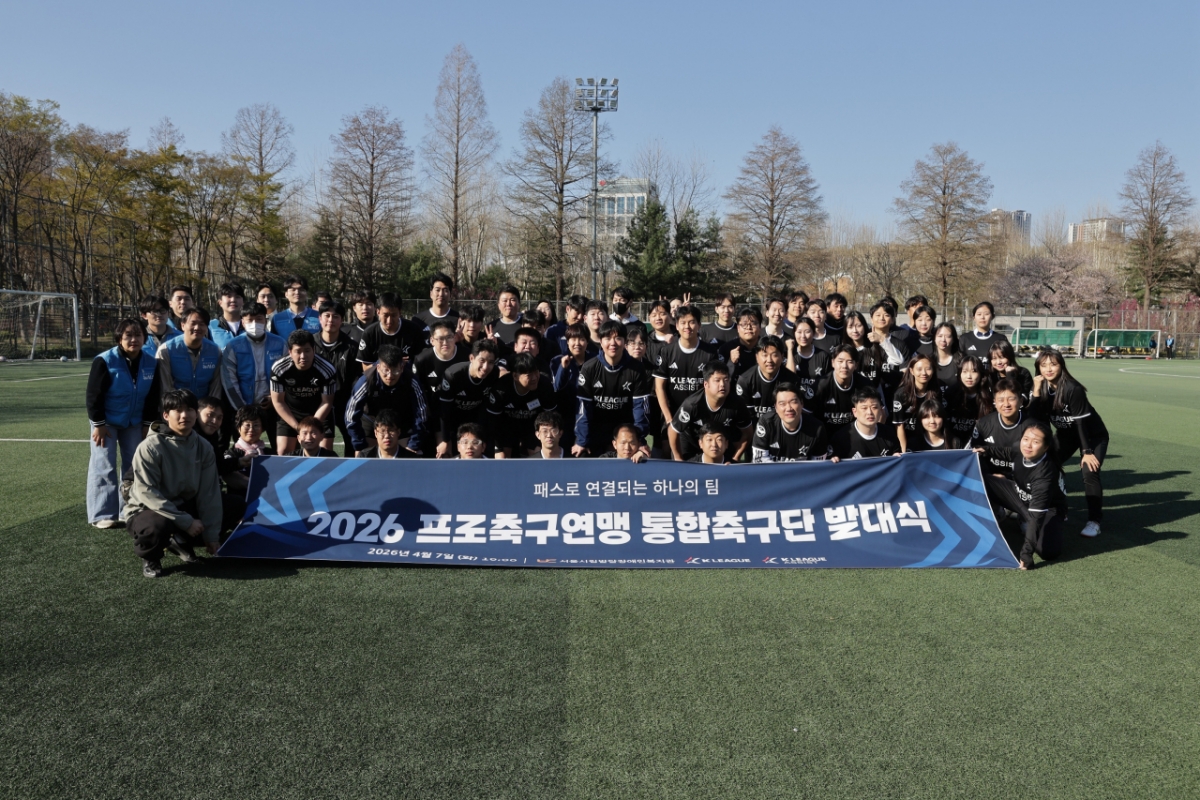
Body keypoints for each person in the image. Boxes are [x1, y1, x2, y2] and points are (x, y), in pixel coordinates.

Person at [123, 389, 223, 577]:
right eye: (178, 410)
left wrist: (212, 535)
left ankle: (180, 541)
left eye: (190, 409)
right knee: (155, 525)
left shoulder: (204, 447)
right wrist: (186, 522)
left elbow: (209, 493)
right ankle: (151, 557)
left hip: (183, 505)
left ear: (196, 413)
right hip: (148, 508)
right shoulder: (150, 447)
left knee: (233, 505)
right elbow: (147, 493)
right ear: (166, 416)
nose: (185, 415)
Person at [86, 319, 162, 528]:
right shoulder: (104, 360)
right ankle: (102, 514)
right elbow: (93, 396)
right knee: (104, 464)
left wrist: (147, 424)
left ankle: (128, 509)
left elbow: (152, 397)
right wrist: (99, 424)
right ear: (119, 338)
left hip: (135, 422)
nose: (133, 339)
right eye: (128, 335)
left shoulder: (151, 362)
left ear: (144, 338)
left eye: (138, 335)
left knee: (134, 465)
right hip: (106, 423)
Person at [1032, 348, 1110, 538]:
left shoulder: (1073, 388)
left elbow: (1081, 423)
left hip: (1092, 436)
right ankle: (1060, 509)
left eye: (1053, 364)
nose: (1048, 369)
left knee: (1089, 471)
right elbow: (1036, 418)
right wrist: (1036, 391)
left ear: (1061, 365)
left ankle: (1094, 521)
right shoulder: (1042, 387)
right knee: (1046, 465)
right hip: (1066, 435)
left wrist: (1087, 452)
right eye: (1044, 365)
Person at [980, 420, 1066, 569]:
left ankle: (1027, 521)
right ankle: (997, 514)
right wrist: (985, 450)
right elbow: (1007, 452)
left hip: (1046, 510)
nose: (1028, 445)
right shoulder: (1019, 449)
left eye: (1036, 442)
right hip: (1019, 496)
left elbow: (1037, 516)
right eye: (1025, 439)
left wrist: (1026, 554)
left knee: (1048, 551)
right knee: (983, 481)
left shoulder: (1044, 475)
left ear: (1046, 447)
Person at [572, 320, 652, 456]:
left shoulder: (637, 369)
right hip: (596, 431)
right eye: (608, 338)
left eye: (618, 338)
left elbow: (640, 408)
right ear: (601, 342)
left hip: (625, 434)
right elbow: (583, 409)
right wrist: (581, 441)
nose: (613, 343)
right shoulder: (589, 368)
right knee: (582, 456)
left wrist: (640, 440)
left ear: (625, 342)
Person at [220, 302, 287, 450]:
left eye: (259, 319)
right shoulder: (233, 346)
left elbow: (286, 375)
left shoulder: (280, 344)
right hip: (242, 407)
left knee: (281, 449)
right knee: (243, 450)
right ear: (242, 322)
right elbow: (229, 381)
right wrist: (242, 408)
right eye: (249, 320)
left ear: (266, 320)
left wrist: (274, 398)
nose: (254, 324)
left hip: (274, 407)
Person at [345, 345, 427, 457]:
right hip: (371, 420)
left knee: (411, 456)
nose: (390, 375)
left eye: (395, 370)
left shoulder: (411, 380)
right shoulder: (366, 381)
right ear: (378, 367)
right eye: (386, 370)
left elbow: (421, 414)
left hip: (402, 422)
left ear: (402, 367)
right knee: (363, 456)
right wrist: (359, 444)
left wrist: (413, 444)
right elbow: (351, 415)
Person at [667, 361, 753, 462]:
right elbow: (673, 430)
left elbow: (748, 433)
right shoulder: (692, 404)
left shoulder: (737, 404)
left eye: (726, 380)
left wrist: (736, 457)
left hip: (720, 445)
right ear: (706, 384)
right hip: (690, 443)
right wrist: (678, 458)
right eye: (717, 380)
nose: (722, 384)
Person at [270, 330, 339, 455]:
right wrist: (298, 427)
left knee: (324, 453)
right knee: (283, 451)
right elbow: (278, 401)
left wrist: (312, 427)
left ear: (314, 350)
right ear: (290, 352)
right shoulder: (279, 368)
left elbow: (327, 402)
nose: (303, 356)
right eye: (298, 351)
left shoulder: (327, 369)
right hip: (291, 413)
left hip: (319, 413)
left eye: (307, 351)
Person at [653, 305, 719, 431]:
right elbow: (659, 387)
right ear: (677, 326)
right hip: (673, 414)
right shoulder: (666, 352)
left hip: (701, 416)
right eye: (683, 323)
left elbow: (714, 386)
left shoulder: (710, 353)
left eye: (692, 322)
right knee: (667, 443)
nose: (687, 327)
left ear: (699, 325)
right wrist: (668, 418)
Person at [412, 320, 469, 453]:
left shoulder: (466, 356)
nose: (445, 342)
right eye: (440, 339)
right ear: (432, 340)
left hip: (461, 412)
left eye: (449, 337)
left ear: (455, 337)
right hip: (434, 413)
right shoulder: (422, 360)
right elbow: (417, 390)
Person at [485, 353, 557, 458]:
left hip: (532, 426)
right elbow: (493, 422)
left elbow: (550, 418)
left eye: (536, 372)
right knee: (501, 457)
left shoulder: (544, 385)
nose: (534, 378)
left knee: (538, 454)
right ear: (515, 376)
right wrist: (498, 449)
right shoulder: (501, 389)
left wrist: (543, 439)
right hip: (506, 426)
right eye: (529, 375)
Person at [437, 339, 500, 457]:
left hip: (476, 420)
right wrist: (445, 440)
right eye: (482, 361)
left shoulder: (494, 373)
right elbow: (444, 411)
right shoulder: (453, 375)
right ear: (471, 358)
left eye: (491, 362)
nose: (485, 367)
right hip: (451, 420)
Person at [313, 300, 360, 456]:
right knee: (319, 446)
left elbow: (357, 379)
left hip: (345, 403)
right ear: (320, 318)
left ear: (342, 320)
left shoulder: (352, 347)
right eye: (327, 316)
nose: (330, 320)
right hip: (316, 403)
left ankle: (351, 469)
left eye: (335, 317)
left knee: (352, 442)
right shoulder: (310, 345)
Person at [751, 382, 830, 462]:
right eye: (782, 404)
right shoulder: (766, 423)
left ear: (802, 404)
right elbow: (759, 461)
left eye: (793, 402)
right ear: (776, 407)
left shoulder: (817, 428)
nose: (789, 408)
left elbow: (818, 465)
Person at [156, 308, 223, 401]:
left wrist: (210, 406)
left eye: (202, 324)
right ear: (183, 325)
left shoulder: (215, 351)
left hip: (204, 406)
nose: (197, 328)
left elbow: (216, 386)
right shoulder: (167, 350)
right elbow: (165, 387)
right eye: (193, 323)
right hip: (176, 405)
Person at [970, 377, 1030, 479]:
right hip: (990, 477)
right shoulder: (983, 424)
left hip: (1020, 479)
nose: (1006, 404)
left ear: (1021, 401)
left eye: (1011, 399)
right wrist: (989, 476)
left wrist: (1010, 478)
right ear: (995, 402)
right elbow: (975, 455)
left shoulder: (1032, 427)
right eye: (1001, 400)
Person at [809, 345, 877, 435]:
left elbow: (879, 413)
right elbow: (807, 416)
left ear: (856, 365)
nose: (844, 366)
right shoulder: (820, 386)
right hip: (825, 435)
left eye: (850, 362)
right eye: (840, 361)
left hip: (855, 435)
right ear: (833, 363)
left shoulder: (865, 385)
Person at [831, 386, 901, 460]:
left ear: (881, 410)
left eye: (874, 407)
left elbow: (897, 459)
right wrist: (833, 460)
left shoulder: (889, 433)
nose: (869, 412)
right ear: (855, 412)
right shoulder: (841, 438)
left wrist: (896, 458)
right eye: (864, 408)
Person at [736, 335, 797, 420]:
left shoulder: (791, 380)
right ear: (757, 357)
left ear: (782, 357)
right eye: (765, 355)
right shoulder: (745, 380)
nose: (769, 360)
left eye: (774, 355)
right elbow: (745, 416)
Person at [893, 354, 945, 453]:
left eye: (928, 369)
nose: (924, 373)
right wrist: (904, 452)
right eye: (919, 369)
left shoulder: (937, 392)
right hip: (908, 438)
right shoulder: (901, 394)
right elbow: (899, 426)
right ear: (911, 371)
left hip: (928, 440)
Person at [356, 292, 426, 364]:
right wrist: (388, 363)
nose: (389, 320)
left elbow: (422, 360)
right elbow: (366, 367)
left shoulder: (413, 330)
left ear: (400, 313)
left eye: (393, 315)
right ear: (378, 312)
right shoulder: (369, 333)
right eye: (385, 315)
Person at [866, 300, 911, 407]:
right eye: (878, 315)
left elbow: (905, 373)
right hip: (868, 394)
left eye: (886, 315)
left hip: (894, 395)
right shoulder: (865, 342)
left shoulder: (900, 344)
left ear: (892, 319)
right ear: (871, 319)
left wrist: (882, 340)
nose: (882, 318)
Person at [225, 404, 273, 495]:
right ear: (238, 428)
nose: (251, 429)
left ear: (262, 429)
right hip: (239, 501)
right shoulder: (231, 454)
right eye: (247, 425)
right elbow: (229, 476)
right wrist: (255, 484)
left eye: (256, 425)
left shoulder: (270, 454)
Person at [945, 357, 992, 441]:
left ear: (981, 374)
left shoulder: (988, 397)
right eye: (965, 371)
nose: (969, 376)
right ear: (959, 374)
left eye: (974, 371)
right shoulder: (950, 393)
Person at [785, 317, 830, 401]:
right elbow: (790, 378)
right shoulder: (790, 354)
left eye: (807, 332)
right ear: (794, 333)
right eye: (799, 332)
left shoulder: (823, 356)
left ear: (813, 333)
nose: (803, 336)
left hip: (818, 401)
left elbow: (828, 382)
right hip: (795, 401)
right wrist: (790, 350)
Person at [958, 301, 1010, 371]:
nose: (982, 317)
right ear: (974, 317)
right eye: (979, 314)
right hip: (972, 377)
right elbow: (960, 363)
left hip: (994, 377)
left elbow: (1008, 360)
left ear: (992, 316)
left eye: (986, 314)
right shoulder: (964, 338)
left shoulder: (1001, 338)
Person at [718, 307, 762, 379]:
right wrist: (731, 362)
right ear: (738, 328)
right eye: (744, 324)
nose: (748, 327)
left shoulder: (766, 348)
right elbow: (721, 379)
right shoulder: (726, 349)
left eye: (753, 323)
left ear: (760, 327)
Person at [414, 272, 459, 339]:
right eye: (437, 290)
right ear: (431, 293)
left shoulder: (458, 319)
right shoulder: (418, 320)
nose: (441, 294)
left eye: (445, 290)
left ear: (450, 294)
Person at [987, 341, 1033, 405]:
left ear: (1010, 357)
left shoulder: (1023, 373)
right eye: (994, 358)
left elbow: (1024, 400)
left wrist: (1010, 378)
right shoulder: (990, 375)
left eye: (1002, 357)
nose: (998, 362)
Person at [209, 283, 245, 349]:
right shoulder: (211, 326)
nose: (233, 300)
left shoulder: (251, 325)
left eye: (237, 297)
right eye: (229, 296)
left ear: (243, 302)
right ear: (220, 302)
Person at [645, 299, 676, 365]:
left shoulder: (680, 338)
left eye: (662, 314)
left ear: (670, 316)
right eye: (654, 315)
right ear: (649, 318)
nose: (658, 318)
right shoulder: (646, 341)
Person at [932, 322, 962, 390]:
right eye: (940, 336)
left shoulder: (961, 361)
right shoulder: (929, 361)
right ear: (934, 338)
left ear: (953, 339)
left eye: (948, 336)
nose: (943, 340)